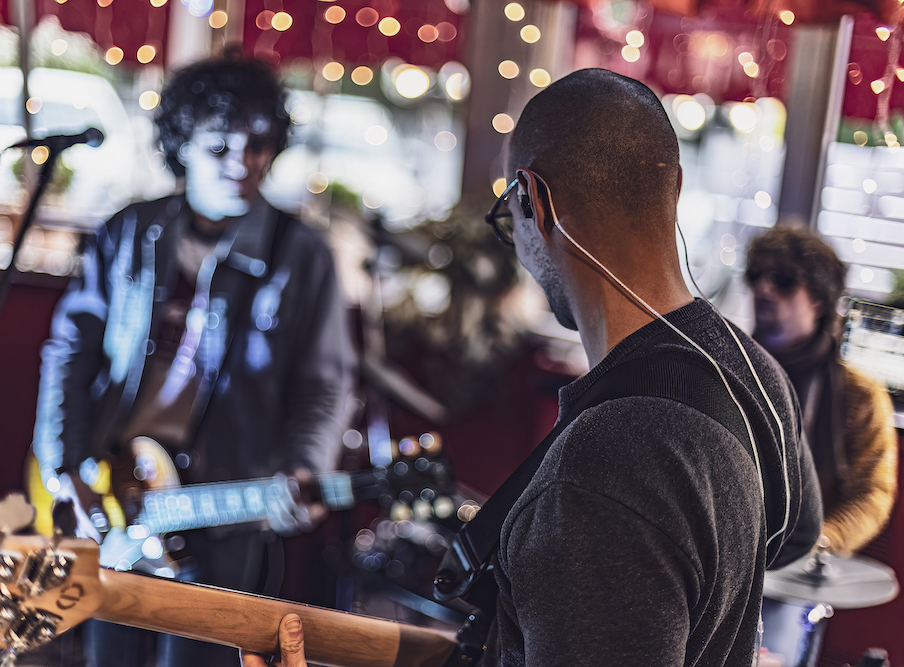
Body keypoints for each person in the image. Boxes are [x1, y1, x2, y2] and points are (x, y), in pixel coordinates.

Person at [249, 68, 823, 667]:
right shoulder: (755, 373)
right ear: (673, 188)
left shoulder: (606, 462)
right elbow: (793, 539)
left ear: (533, 200)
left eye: (508, 215)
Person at [32, 56, 353, 667]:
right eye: (219, 145)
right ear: (182, 145)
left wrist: (305, 466)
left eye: (258, 143)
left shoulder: (304, 254)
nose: (242, 161)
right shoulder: (129, 232)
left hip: (226, 509)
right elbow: (69, 355)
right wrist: (62, 470)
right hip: (120, 494)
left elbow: (323, 384)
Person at [747, 226, 897, 556]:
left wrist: (816, 543)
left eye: (783, 279)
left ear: (818, 298)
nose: (763, 288)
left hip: (796, 565)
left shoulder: (861, 397)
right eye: (755, 274)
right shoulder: (731, 369)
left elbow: (872, 496)